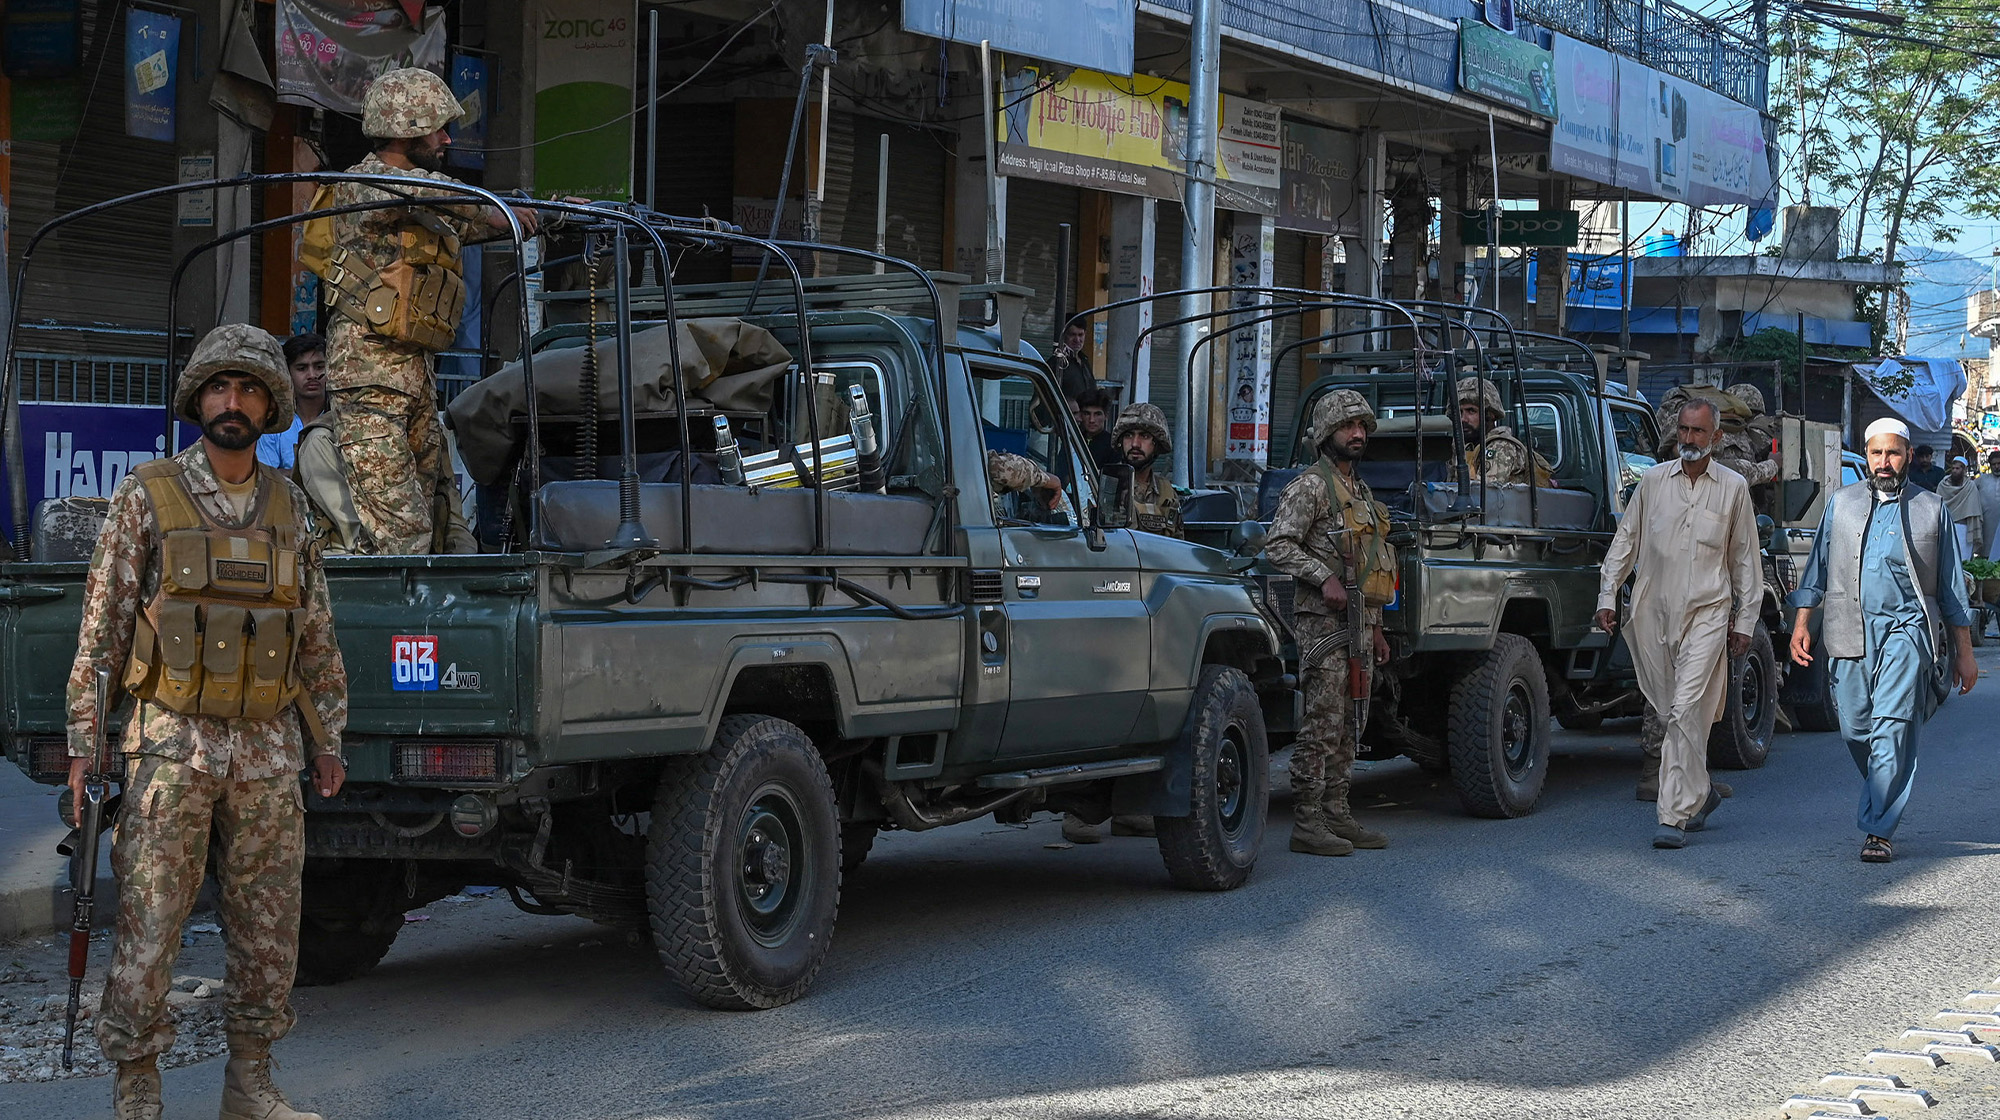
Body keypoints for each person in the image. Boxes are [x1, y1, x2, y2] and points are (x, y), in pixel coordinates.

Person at [64, 324, 348, 1120]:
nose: (235, 402)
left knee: (268, 933)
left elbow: (315, 629)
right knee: (150, 928)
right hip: (169, 747)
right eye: (221, 388)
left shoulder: (290, 504)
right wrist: (86, 743)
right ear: (199, 400)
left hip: (266, 750)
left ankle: (250, 1084)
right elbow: (104, 627)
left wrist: (328, 735)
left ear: (271, 405)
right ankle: (138, 1092)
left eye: (252, 389)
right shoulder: (148, 494)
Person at [324, 67, 540, 555]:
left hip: (414, 374)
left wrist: (548, 214)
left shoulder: (425, 201)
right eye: (437, 126)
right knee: (401, 531)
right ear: (405, 127)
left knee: (433, 517)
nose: (446, 138)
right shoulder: (365, 184)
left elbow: (476, 223)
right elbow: (438, 195)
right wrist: (494, 205)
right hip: (369, 374)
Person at [1787, 418, 1977, 863]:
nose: (1885, 462)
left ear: (1909, 455)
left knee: (1891, 726)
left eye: (1893, 453)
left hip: (1908, 632)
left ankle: (1878, 829)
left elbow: (1952, 589)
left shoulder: (1932, 508)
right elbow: (1816, 569)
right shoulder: (1843, 504)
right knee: (1855, 727)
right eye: (1877, 453)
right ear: (1867, 456)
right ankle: (1881, 786)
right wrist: (1801, 624)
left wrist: (1964, 655)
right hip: (1848, 629)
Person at [1595, 397, 1760, 850]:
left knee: (1687, 708)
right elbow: (1624, 543)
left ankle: (1672, 816)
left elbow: (1745, 561)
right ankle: (1701, 792)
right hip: (1653, 614)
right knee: (1672, 712)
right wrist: (1608, 596)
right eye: (1684, 431)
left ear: (1716, 438)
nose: (1689, 439)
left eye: (1698, 432)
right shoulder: (1651, 483)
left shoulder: (1733, 488)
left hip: (1708, 612)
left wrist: (1745, 619)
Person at [1263, 390, 1396, 856]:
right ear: (1326, 434)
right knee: (1322, 721)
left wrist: (1377, 628)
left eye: (1361, 426)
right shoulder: (1310, 486)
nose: (1357, 434)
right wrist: (1322, 578)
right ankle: (1308, 819)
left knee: (1351, 720)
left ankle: (1338, 810)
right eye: (1347, 427)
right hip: (1323, 624)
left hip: (1361, 624)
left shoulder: (1359, 490)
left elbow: (1370, 563)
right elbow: (1278, 544)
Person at [1456, 377, 1552, 487]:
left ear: (1490, 414)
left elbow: (1485, 492)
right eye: (1459, 412)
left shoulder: (1502, 446)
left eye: (1471, 411)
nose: (1463, 419)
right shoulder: (1469, 447)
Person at [1109, 402, 1184, 539]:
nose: (1135, 444)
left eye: (1144, 436)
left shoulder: (1167, 493)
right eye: (1129, 435)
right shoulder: (1104, 484)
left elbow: (1177, 543)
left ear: (1156, 444)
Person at [256, 333, 328, 472]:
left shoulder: (342, 419)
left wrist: (286, 473)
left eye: (319, 367)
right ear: (288, 373)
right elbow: (266, 478)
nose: (312, 375)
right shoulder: (275, 423)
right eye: (302, 368)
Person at [1936, 455, 1983, 559]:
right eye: (1953, 468)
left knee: (1963, 560)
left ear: (1964, 470)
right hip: (1946, 526)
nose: (1954, 471)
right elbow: (1937, 507)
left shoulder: (1970, 487)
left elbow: (1974, 509)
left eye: (1958, 468)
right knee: (1947, 559)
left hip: (1964, 528)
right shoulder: (1942, 485)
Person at [1050, 321, 1096, 404]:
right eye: (1072, 334)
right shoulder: (1057, 363)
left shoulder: (1084, 361)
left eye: (1080, 335)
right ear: (1064, 336)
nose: (1077, 340)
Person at [1076, 389, 1118, 473]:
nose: (1092, 420)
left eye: (1097, 414)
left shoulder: (1113, 445)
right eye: (1087, 414)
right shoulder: (1074, 439)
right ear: (1081, 415)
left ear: (1106, 416)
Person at [1975, 449, 2000, 559]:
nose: (1996, 467)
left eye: (1999, 464)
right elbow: (1966, 489)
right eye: (1994, 464)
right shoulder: (1982, 480)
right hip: (1986, 522)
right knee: (1987, 551)